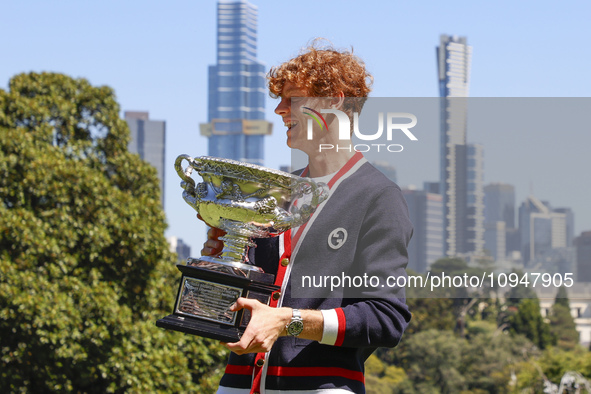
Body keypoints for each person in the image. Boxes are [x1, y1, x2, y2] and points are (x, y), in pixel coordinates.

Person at [203, 41, 413, 394]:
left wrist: (289, 321)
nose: (280, 110)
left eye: (292, 99)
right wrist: (224, 263)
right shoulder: (275, 196)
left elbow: (385, 319)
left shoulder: (379, 196)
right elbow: (246, 308)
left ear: (333, 102)